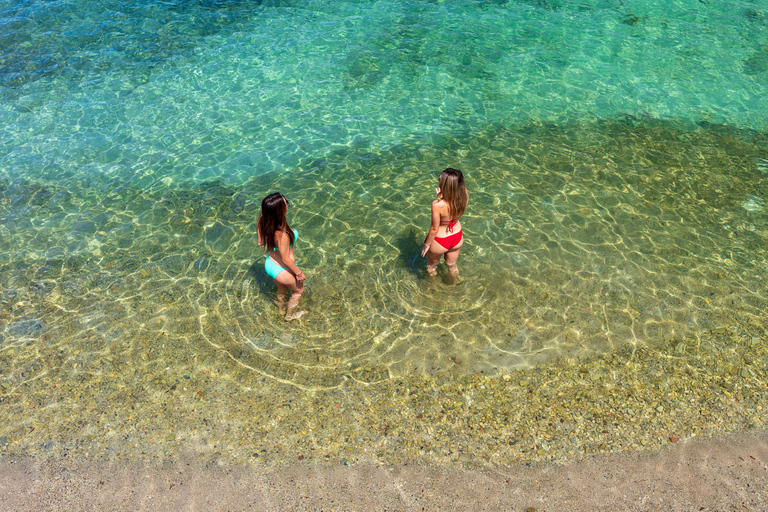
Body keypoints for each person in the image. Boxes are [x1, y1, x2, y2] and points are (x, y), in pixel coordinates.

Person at [257, 192, 306, 321]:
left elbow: (260, 242)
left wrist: (259, 225)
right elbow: (285, 258)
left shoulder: (263, 220)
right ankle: (289, 316)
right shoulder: (282, 234)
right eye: (286, 204)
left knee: (282, 289)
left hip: (270, 264)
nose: (288, 206)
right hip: (282, 269)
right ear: (279, 210)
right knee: (298, 291)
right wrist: (299, 273)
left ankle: (281, 309)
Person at [421, 168, 469, 279]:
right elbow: (452, 206)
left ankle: (432, 288)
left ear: (447, 185)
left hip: (440, 241)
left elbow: (434, 229)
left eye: (441, 179)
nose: (438, 179)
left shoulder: (437, 205)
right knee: (452, 266)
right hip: (457, 237)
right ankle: (454, 285)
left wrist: (427, 245)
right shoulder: (465, 194)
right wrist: (442, 197)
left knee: (432, 267)